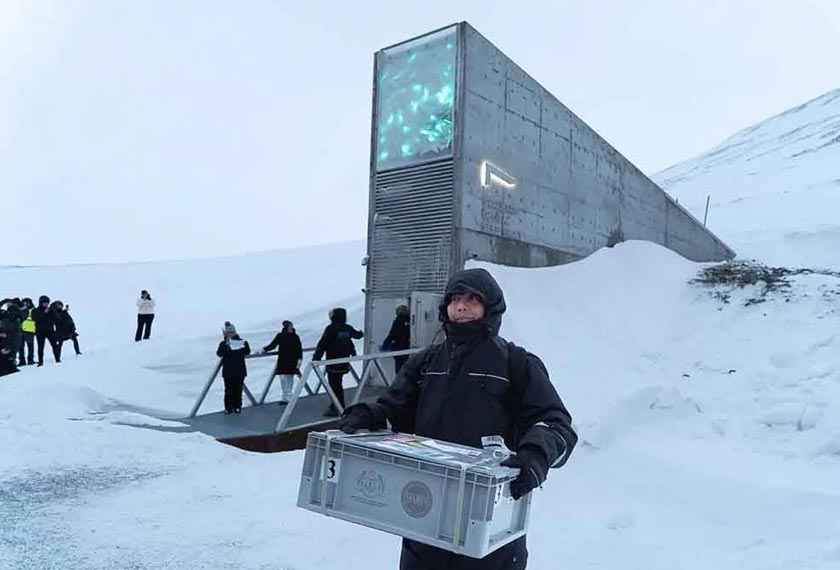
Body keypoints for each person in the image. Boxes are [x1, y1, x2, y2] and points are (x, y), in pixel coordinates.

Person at [339, 268, 577, 570]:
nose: (461, 306)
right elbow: (396, 411)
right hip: (423, 514)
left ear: (490, 307)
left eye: (472, 299)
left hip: (491, 526)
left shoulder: (517, 363)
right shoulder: (425, 362)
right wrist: (370, 415)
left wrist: (535, 455)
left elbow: (557, 424)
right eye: (455, 299)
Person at [312, 307, 363, 417]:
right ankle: (338, 405)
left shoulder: (331, 329)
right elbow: (357, 336)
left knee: (335, 385)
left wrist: (316, 358)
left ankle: (337, 407)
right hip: (344, 361)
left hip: (333, 362)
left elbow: (323, 344)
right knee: (338, 384)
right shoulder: (347, 328)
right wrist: (360, 334)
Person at [262, 320, 303, 404]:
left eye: (291, 326)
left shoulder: (296, 336)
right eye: (290, 326)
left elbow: (299, 349)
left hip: (292, 361)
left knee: (290, 379)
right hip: (283, 360)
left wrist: (300, 359)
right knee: (283, 379)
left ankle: (288, 396)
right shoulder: (280, 336)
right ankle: (285, 396)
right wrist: (264, 349)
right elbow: (273, 345)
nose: (291, 327)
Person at [216, 321, 250, 414]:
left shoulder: (242, 341)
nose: (230, 334)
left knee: (238, 390)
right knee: (228, 390)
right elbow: (219, 353)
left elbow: (247, 352)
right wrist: (226, 345)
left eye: (232, 332)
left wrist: (243, 346)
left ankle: (237, 406)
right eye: (229, 332)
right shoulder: (223, 343)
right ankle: (228, 408)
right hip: (228, 371)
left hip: (239, 370)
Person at [381, 304, 411, 373]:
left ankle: (399, 382)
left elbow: (392, 334)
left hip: (399, 348)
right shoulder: (410, 321)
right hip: (407, 347)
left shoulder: (398, 321)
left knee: (399, 369)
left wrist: (385, 345)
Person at [32, 295, 59, 366]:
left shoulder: (51, 310)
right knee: (40, 347)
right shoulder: (35, 310)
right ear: (40, 302)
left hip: (50, 330)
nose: (46, 304)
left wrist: (53, 311)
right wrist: (44, 313)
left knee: (54, 345)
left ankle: (57, 359)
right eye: (44, 302)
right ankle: (40, 362)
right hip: (40, 331)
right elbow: (35, 319)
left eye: (47, 302)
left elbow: (57, 319)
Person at [18, 297, 36, 366]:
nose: (25, 304)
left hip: (30, 330)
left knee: (30, 346)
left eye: (26, 303)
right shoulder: (20, 310)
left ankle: (30, 359)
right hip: (21, 330)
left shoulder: (33, 310)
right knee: (20, 346)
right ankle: (22, 360)